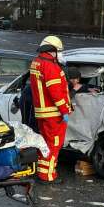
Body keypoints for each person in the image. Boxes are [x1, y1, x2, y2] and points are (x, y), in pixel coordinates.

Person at [29, 36, 72, 184]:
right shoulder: (51, 67)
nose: (60, 54)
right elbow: (56, 93)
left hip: (42, 111)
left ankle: (43, 173)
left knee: (45, 144)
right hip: (53, 113)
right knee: (54, 144)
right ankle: (48, 176)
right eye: (59, 51)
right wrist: (65, 110)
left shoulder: (37, 62)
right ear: (52, 51)